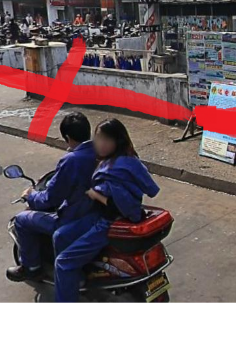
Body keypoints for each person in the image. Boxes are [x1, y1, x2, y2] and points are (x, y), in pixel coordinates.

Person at [49, 118, 159, 302]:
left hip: (109, 223)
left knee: (62, 263)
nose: (101, 144)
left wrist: (95, 195)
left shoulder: (117, 168)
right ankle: (78, 278)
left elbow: (122, 204)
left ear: (118, 141)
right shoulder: (124, 160)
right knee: (60, 236)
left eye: (107, 140)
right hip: (101, 215)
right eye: (98, 139)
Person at [6, 113, 98, 293]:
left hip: (74, 218)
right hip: (97, 214)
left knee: (22, 220)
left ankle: (32, 267)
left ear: (67, 137)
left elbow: (50, 198)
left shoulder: (71, 160)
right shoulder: (103, 151)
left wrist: (31, 195)